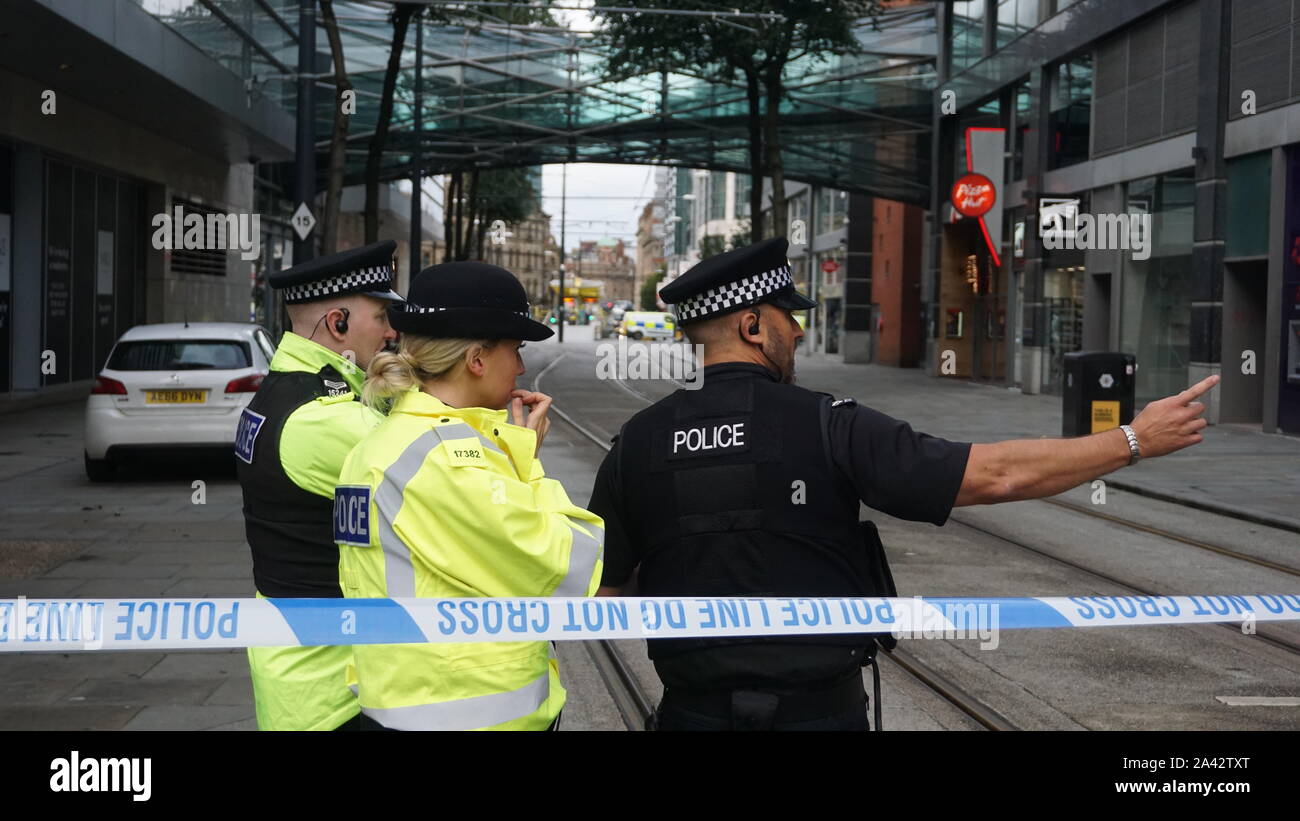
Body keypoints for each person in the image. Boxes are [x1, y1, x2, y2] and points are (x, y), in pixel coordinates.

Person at [588, 236, 1218, 732]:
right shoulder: (830, 425)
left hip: (691, 713)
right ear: (754, 325)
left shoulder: (636, 443)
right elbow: (992, 475)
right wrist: (1132, 440)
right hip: (820, 715)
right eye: (788, 318)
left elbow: (607, 590)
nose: (800, 331)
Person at [334, 261, 604, 731]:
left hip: (405, 704)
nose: (522, 366)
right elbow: (574, 568)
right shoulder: (445, 460)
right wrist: (528, 463)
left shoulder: (378, 445)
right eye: (516, 350)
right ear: (476, 359)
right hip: (469, 716)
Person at [235, 240, 403, 731]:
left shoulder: (284, 390)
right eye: (381, 315)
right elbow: (450, 485)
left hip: (299, 678)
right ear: (338, 323)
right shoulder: (326, 420)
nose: (391, 331)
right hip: (336, 691)